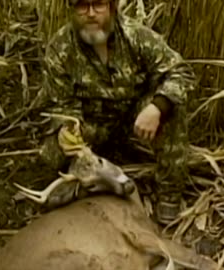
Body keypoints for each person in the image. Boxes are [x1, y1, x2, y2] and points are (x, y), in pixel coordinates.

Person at [37, 0, 197, 225]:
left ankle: (169, 192)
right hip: (92, 122)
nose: (91, 13)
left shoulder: (136, 36)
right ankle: (82, 180)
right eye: (82, 6)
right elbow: (61, 105)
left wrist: (157, 107)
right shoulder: (60, 48)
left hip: (134, 118)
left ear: (111, 7)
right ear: (73, 9)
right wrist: (67, 129)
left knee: (172, 108)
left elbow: (181, 72)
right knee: (51, 152)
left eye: (98, 5)